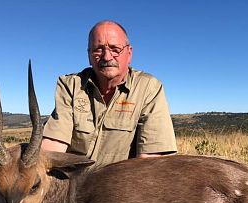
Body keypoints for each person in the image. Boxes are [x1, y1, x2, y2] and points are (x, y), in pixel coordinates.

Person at [42, 20, 177, 167]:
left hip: (119, 185)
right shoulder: (71, 85)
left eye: (115, 49)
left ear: (129, 53)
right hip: (72, 184)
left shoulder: (148, 88)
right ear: (89, 55)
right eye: (98, 49)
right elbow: (53, 147)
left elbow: (149, 164)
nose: (107, 57)